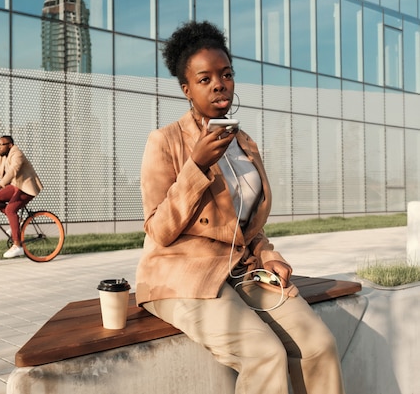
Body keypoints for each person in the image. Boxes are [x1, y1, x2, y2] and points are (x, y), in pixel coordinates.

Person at [135, 20, 345, 394]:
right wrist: (195, 166)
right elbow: (159, 229)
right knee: (263, 353)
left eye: (226, 74)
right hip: (182, 275)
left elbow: (246, 223)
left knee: (319, 346)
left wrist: (268, 254)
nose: (219, 83)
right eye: (205, 79)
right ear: (186, 89)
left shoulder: (244, 143)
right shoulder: (164, 141)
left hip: (241, 269)